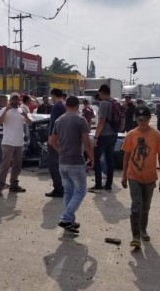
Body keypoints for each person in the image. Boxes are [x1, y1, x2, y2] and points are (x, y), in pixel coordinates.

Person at [121, 106, 160, 248]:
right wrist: (124, 175)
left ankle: (142, 230)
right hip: (133, 175)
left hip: (150, 177)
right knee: (136, 206)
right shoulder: (131, 135)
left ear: (149, 118)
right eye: (139, 119)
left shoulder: (157, 135)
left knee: (145, 207)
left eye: (145, 119)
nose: (142, 121)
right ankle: (135, 236)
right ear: (136, 119)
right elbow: (127, 155)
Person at [49, 96, 94, 233]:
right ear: (77, 105)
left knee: (69, 191)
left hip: (62, 161)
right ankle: (66, 218)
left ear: (66, 105)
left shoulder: (59, 120)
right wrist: (93, 159)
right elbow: (86, 142)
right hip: (76, 162)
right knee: (80, 191)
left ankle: (70, 222)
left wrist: (61, 151)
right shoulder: (81, 120)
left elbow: (52, 141)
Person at [0, 92, 31, 197]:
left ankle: (14, 185)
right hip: (8, 143)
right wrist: (6, 109)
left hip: (19, 143)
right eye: (13, 99)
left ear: (19, 100)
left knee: (17, 166)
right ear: (10, 100)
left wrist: (25, 115)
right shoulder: (4, 110)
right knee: (5, 166)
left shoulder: (21, 111)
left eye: (17, 99)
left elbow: (29, 123)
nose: (15, 101)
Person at [90, 84, 118, 192]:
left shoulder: (104, 104)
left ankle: (98, 185)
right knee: (110, 159)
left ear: (101, 92)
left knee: (96, 159)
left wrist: (96, 137)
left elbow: (101, 121)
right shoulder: (114, 102)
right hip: (113, 135)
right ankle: (108, 185)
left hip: (104, 135)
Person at [46, 88, 66, 198]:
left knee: (53, 165)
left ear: (53, 95)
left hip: (55, 139)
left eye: (51, 97)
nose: (51, 99)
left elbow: (54, 124)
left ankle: (58, 189)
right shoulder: (64, 105)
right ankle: (63, 187)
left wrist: (50, 138)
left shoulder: (56, 107)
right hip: (64, 139)